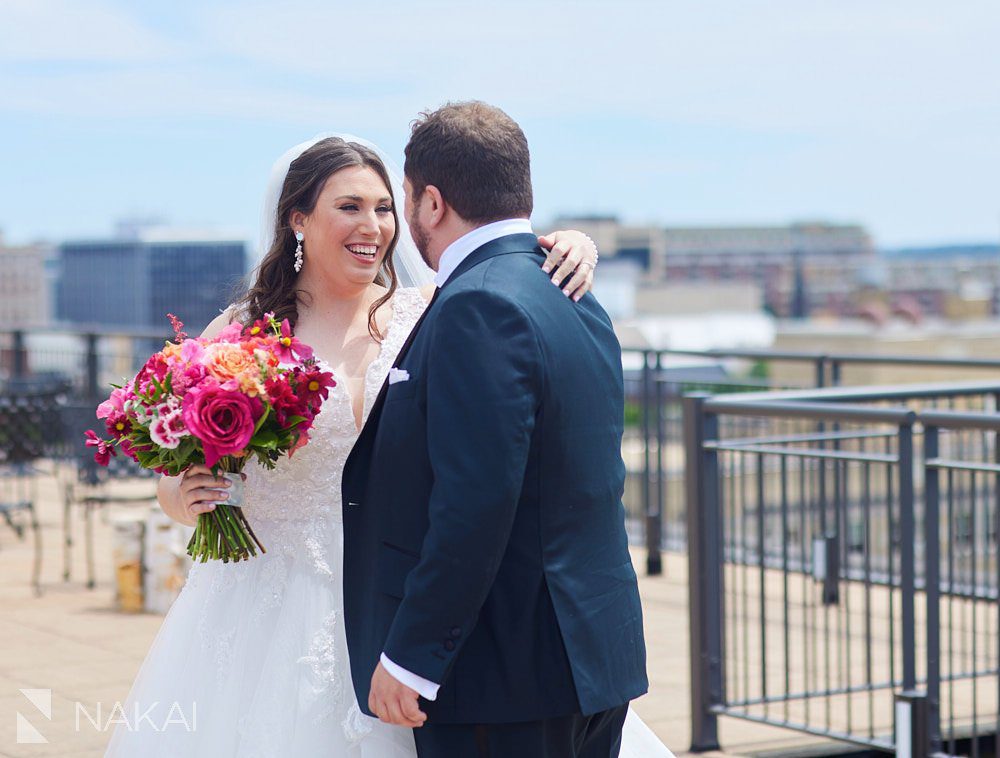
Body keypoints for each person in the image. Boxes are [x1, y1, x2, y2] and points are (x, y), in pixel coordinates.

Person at [104, 133, 604, 756]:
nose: (373, 225)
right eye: (349, 207)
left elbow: (505, 280)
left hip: (403, 589)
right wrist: (183, 493)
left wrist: (573, 245)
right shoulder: (242, 333)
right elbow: (175, 473)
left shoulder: (431, 311)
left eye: (385, 207)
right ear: (297, 219)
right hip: (275, 598)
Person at [341, 102, 672, 757]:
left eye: (403, 201)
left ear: (430, 203)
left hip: (506, 675)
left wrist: (411, 656)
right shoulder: (571, 289)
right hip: (589, 658)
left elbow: (477, 501)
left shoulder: (477, 304)